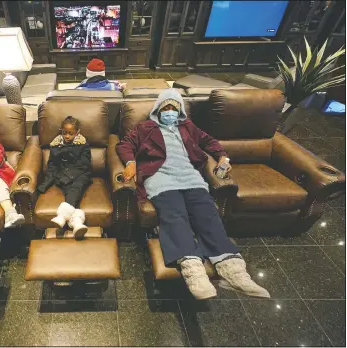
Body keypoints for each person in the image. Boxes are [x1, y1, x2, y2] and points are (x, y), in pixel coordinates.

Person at [116, 88, 270, 300]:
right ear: (158, 109)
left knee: (208, 214)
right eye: (166, 107)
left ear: (179, 110)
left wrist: (222, 157)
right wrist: (131, 162)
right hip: (160, 178)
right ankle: (193, 272)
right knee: (174, 215)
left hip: (190, 177)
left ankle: (233, 270)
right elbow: (125, 145)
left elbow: (209, 142)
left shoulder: (188, 126)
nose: (169, 111)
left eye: (174, 107)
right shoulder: (145, 128)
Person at [37, 116, 92, 240]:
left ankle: (62, 216)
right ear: (61, 131)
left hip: (81, 174)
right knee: (70, 193)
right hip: (62, 176)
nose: (67, 136)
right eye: (65, 133)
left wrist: (68, 176)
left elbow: (84, 165)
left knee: (76, 187)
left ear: (77, 132)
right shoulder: (56, 146)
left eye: (71, 133)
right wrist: (45, 184)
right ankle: (76, 223)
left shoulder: (83, 145)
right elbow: (52, 166)